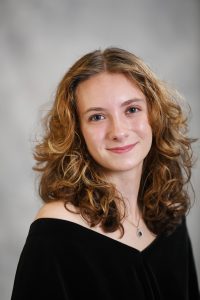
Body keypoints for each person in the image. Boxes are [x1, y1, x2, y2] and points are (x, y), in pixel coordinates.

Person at [11, 47, 199, 300]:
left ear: (154, 115)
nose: (118, 131)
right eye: (97, 116)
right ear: (76, 132)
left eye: (131, 109)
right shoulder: (55, 233)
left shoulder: (168, 212)